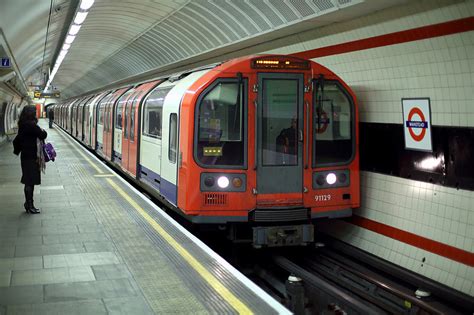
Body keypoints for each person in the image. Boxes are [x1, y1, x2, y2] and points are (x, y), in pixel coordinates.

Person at [14, 105, 47, 214]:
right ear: (31, 113)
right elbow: (43, 135)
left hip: (25, 156)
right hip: (32, 157)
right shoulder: (31, 125)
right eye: (35, 112)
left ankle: (28, 204)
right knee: (30, 182)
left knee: (28, 181)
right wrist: (42, 130)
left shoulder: (22, 124)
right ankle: (30, 205)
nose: (36, 113)